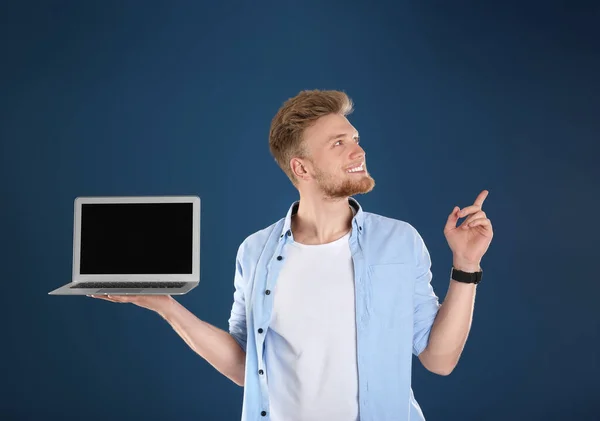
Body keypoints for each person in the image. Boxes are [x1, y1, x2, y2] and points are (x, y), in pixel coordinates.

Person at [91, 89, 494, 421]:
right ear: (302, 168)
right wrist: (165, 306)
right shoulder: (255, 252)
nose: (358, 151)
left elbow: (438, 360)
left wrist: (466, 265)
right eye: (339, 143)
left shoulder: (399, 241)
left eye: (355, 139)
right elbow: (244, 366)